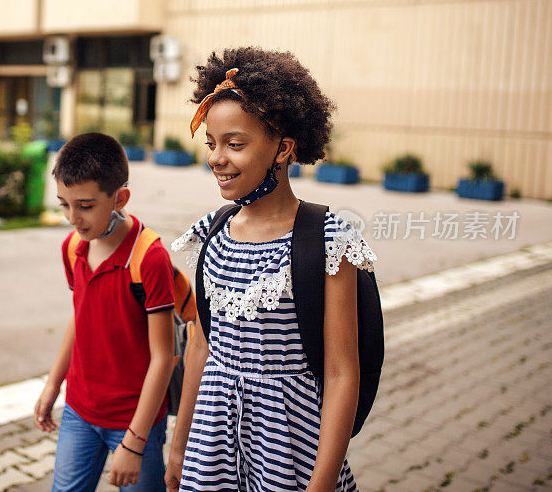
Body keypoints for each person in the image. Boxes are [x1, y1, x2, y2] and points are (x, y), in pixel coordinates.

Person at [165, 47, 377, 492]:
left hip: (292, 454)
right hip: (211, 452)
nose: (216, 158)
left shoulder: (326, 240)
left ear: (283, 148)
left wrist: (319, 487)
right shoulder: (212, 235)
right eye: (211, 143)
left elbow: (342, 373)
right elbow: (200, 350)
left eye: (234, 144)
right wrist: (181, 448)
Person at [34, 133, 176, 491]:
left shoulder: (148, 258)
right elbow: (80, 319)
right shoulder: (73, 249)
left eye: (84, 205)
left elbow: (164, 357)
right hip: (79, 411)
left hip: (134, 420)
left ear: (119, 198)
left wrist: (134, 441)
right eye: (63, 204)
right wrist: (54, 384)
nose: (72, 218)